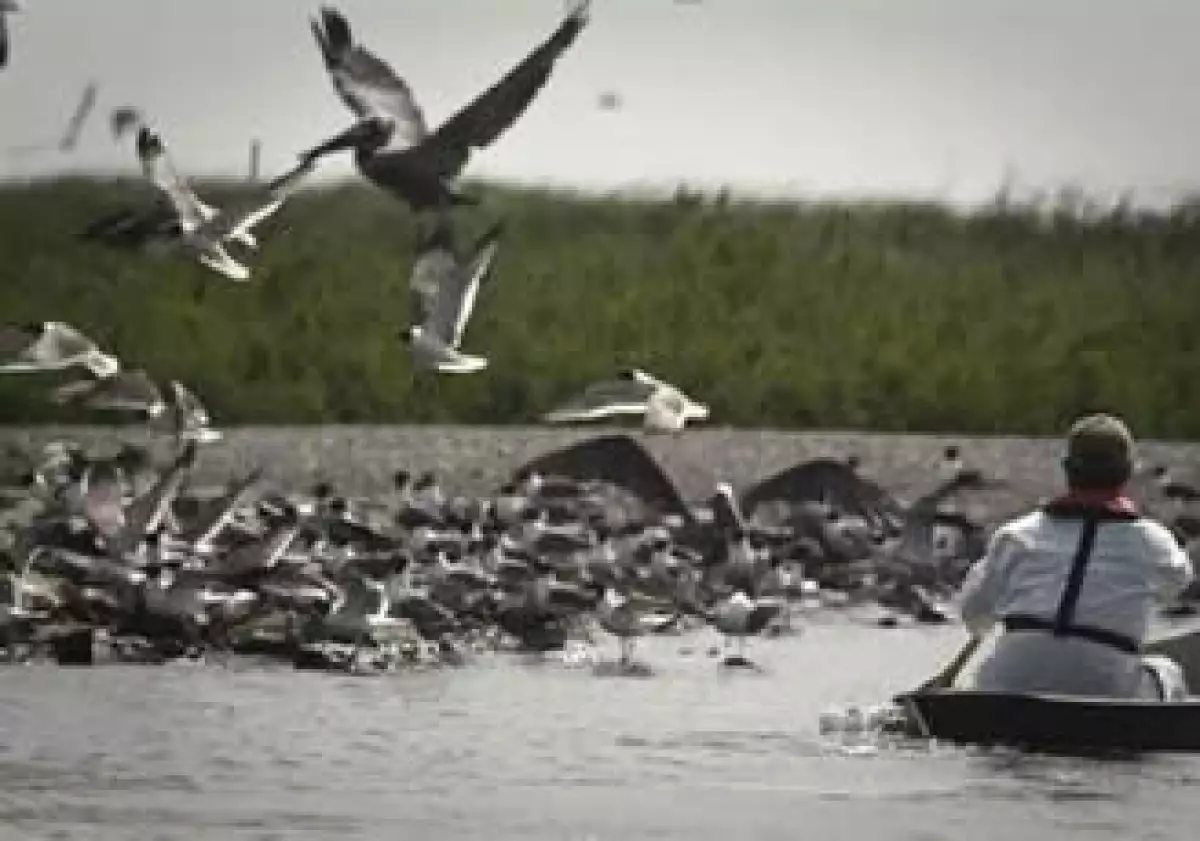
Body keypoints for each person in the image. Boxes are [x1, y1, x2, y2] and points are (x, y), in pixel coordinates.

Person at [955, 412, 1195, 699]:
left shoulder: (1016, 534)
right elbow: (1177, 587)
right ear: (1127, 472)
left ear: (1067, 469)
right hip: (1105, 685)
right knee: (1169, 672)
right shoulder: (1153, 540)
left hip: (1008, 681)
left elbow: (974, 616)